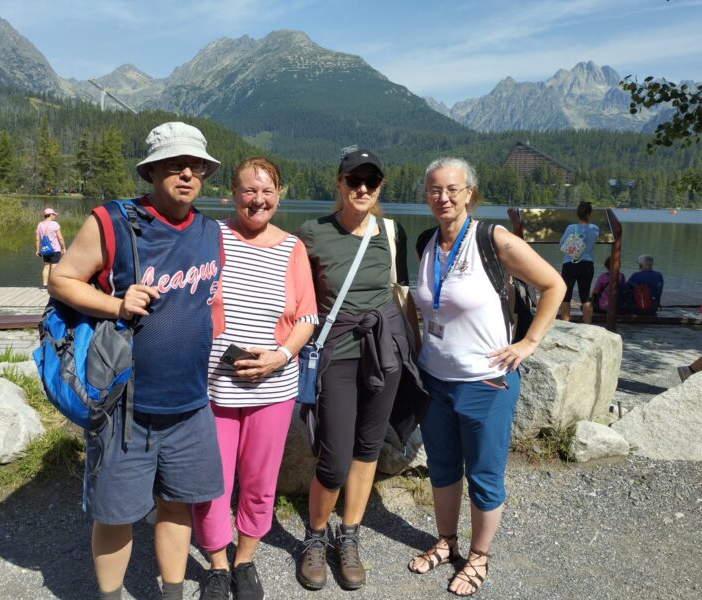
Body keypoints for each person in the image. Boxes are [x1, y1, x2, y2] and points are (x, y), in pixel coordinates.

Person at [48, 122, 225, 600]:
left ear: (206, 173)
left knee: (177, 505)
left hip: (190, 403)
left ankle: (171, 594)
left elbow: (211, 300)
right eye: (173, 164)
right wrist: (116, 305)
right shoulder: (113, 220)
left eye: (195, 166)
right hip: (124, 405)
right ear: (151, 172)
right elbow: (62, 279)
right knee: (115, 513)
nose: (186, 173)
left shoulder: (210, 231)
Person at [408, 157, 565, 596]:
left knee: (484, 473)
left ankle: (479, 556)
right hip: (434, 379)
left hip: (486, 380)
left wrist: (528, 344)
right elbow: (418, 302)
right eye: (435, 190)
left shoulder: (492, 238)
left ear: (470, 194)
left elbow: (555, 285)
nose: (444, 197)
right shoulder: (425, 242)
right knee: (441, 467)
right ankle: (445, 541)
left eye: (453, 189)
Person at [296, 148, 428, 591]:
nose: (362, 189)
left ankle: (348, 535)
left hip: (385, 350)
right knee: (332, 459)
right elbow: (296, 300)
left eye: (371, 181)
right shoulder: (312, 233)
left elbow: (402, 294)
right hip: (336, 351)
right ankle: (315, 538)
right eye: (354, 180)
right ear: (339, 183)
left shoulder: (391, 232)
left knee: (368, 447)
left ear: (380, 186)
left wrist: (415, 347)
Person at [191, 157, 318, 600]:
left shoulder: (292, 248)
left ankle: (245, 560)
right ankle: (217, 564)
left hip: (274, 389)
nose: (257, 199)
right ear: (232, 194)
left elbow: (306, 317)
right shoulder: (211, 236)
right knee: (213, 483)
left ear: (278, 195)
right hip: (213, 387)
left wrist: (280, 357)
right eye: (248, 190)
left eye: (266, 191)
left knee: (261, 482)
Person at [559, 201, 599, 324]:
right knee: (585, 296)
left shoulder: (571, 228)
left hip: (570, 263)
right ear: (590, 213)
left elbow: (562, 244)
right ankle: (587, 325)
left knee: (566, 295)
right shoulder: (595, 228)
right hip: (587, 264)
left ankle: (565, 324)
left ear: (578, 214)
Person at [35, 207, 65, 289]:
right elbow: (60, 238)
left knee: (46, 266)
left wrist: (37, 250)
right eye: (54, 214)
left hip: (45, 249)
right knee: (54, 267)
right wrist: (64, 248)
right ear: (50, 215)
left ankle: (45, 285)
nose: (55, 216)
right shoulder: (55, 224)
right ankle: (52, 285)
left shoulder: (40, 224)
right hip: (55, 249)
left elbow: (37, 239)